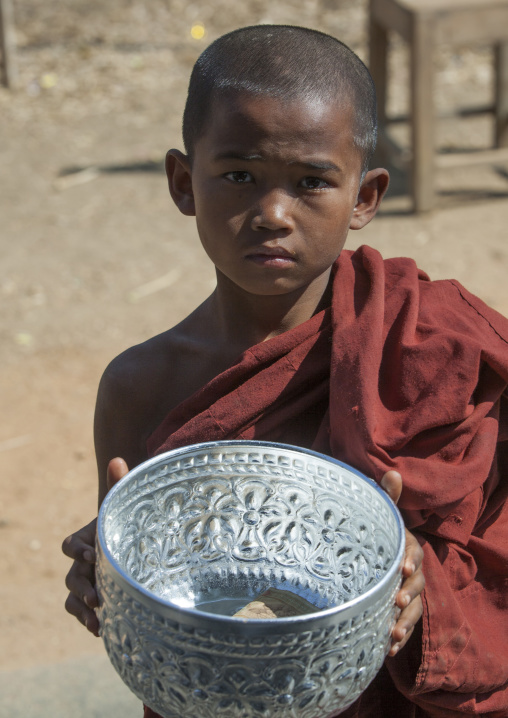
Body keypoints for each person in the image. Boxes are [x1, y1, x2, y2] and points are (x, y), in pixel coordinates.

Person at [62, 25, 508, 718]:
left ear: (365, 196)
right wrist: (105, 581)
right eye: (239, 176)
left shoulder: (432, 345)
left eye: (311, 182)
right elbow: (144, 610)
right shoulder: (141, 386)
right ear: (184, 183)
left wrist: (427, 588)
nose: (272, 213)